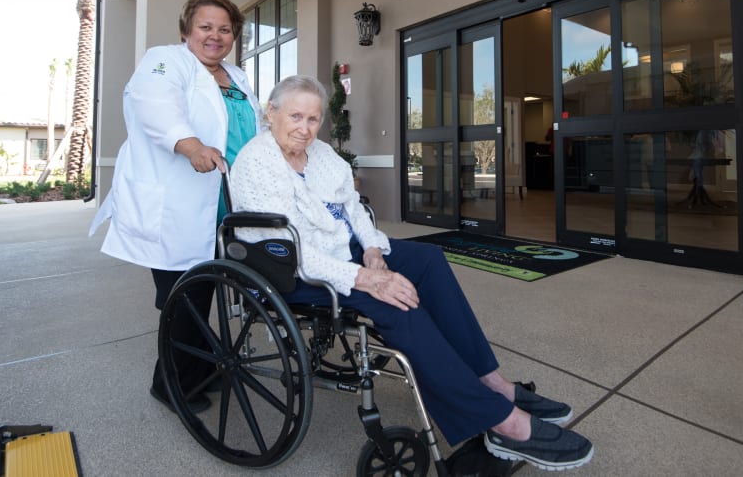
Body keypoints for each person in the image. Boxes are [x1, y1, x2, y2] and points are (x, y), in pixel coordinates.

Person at [229, 75, 593, 471]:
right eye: (295, 116)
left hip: (343, 251)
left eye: (313, 119)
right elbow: (293, 249)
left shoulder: (321, 154)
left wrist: (372, 249)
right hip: (293, 270)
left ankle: (493, 383)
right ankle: (499, 422)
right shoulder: (256, 163)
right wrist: (367, 278)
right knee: (396, 300)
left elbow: (352, 207)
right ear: (271, 113)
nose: (305, 128)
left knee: (428, 260)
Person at [89, 0, 262, 413]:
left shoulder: (237, 76)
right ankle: (169, 384)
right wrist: (190, 146)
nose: (215, 36)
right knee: (185, 296)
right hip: (176, 203)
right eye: (205, 27)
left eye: (224, 29)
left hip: (226, 203)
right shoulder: (165, 60)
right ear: (187, 30)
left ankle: (203, 367)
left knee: (206, 292)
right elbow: (156, 107)